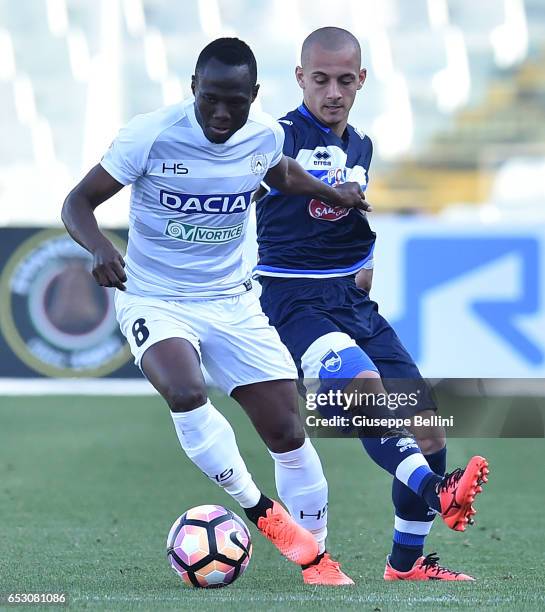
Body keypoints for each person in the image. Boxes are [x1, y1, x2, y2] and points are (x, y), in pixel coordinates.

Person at [62, 37, 368, 585]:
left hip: (231, 300)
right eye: (211, 99)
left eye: (236, 101)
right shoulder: (149, 135)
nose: (222, 113)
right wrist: (101, 247)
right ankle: (262, 513)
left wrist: (334, 193)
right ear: (193, 89)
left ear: (255, 95)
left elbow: (280, 173)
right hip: (155, 295)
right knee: (184, 390)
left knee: (287, 430)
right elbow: (77, 202)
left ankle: (315, 557)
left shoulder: (264, 135)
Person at [255, 27, 489, 581]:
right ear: (299, 78)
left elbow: (347, 218)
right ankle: (438, 491)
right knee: (363, 388)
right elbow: (266, 193)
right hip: (292, 298)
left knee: (429, 429)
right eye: (320, 80)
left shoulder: (361, 144)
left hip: (351, 299)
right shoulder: (271, 137)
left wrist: (362, 263)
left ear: (361, 80)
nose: (332, 91)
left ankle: (404, 566)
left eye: (344, 80)